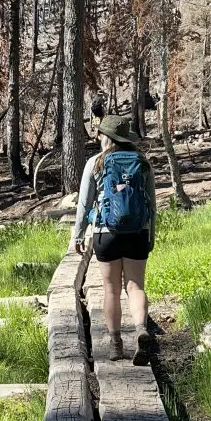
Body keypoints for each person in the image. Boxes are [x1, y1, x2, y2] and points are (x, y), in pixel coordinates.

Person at [72, 115, 157, 365]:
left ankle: (116, 343)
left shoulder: (95, 163)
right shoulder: (142, 162)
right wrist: (151, 235)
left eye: (99, 134)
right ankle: (141, 329)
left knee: (111, 289)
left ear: (105, 137)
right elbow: (151, 204)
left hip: (105, 233)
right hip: (138, 233)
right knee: (135, 286)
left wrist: (78, 234)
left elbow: (85, 203)